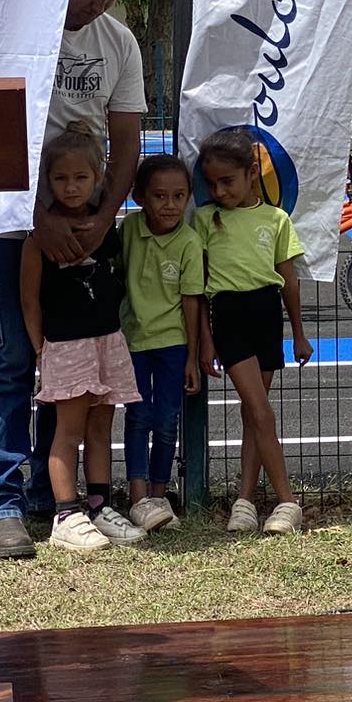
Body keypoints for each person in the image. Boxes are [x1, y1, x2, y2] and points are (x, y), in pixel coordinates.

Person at [0, 0, 144, 559]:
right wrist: (35, 214)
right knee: (12, 362)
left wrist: (104, 215)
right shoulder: (12, 28)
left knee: (77, 372)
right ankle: (1, 503)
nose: (100, 2)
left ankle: (60, 500)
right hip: (12, 226)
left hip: (87, 226)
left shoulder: (118, 41)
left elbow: (126, 137)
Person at [21, 124, 144, 554]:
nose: (71, 187)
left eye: (80, 178)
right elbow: (30, 300)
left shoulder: (108, 229)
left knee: (100, 428)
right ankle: (65, 514)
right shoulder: (40, 239)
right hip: (65, 346)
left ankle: (98, 506)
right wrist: (41, 347)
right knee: (67, 431)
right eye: (60, 178)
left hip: (107, 341)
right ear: (46, 181)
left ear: (99, 179)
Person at [194, 127, 313, 535]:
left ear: (251, 173)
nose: (220, 191)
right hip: (228, 315)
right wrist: (206, 338)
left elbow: (289, 280)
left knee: (253, 415)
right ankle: (287, 500)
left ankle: (244, 501)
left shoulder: (276, 219)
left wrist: (298, 332)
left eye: (227, 181)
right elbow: (200, 284)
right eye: (211, 184)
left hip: (267, 314)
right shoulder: (205, 219)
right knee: (261, 411)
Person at [119, 153, 205, 533]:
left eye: (178, 196)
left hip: (172, 344)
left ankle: (159, 493)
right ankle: (137, 496)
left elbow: (192, 300)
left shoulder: (189, 241)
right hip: (133, 341)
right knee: (138, 416)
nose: (169, 205)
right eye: (159, 196)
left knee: (168, 420)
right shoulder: (128, 230)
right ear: (139, 196)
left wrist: (192, 353)